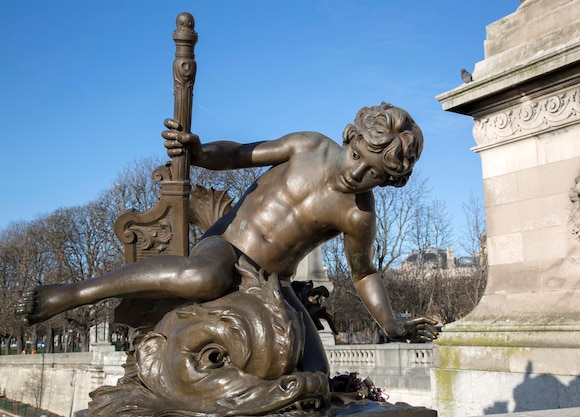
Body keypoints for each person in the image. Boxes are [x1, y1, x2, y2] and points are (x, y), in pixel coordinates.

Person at [16, 102, 437, 373]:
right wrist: (198, 154)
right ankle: (70, 293)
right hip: (227, 245)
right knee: (205, 278)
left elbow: (364, 275)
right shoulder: (309, 146)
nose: (357, 173)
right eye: (359, 156)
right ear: (352, 136)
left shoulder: (358, 215)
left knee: (316, 374)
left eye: (374, 175)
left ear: (387, 182)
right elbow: (239, 155)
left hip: (273, 281)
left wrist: (390, 322)